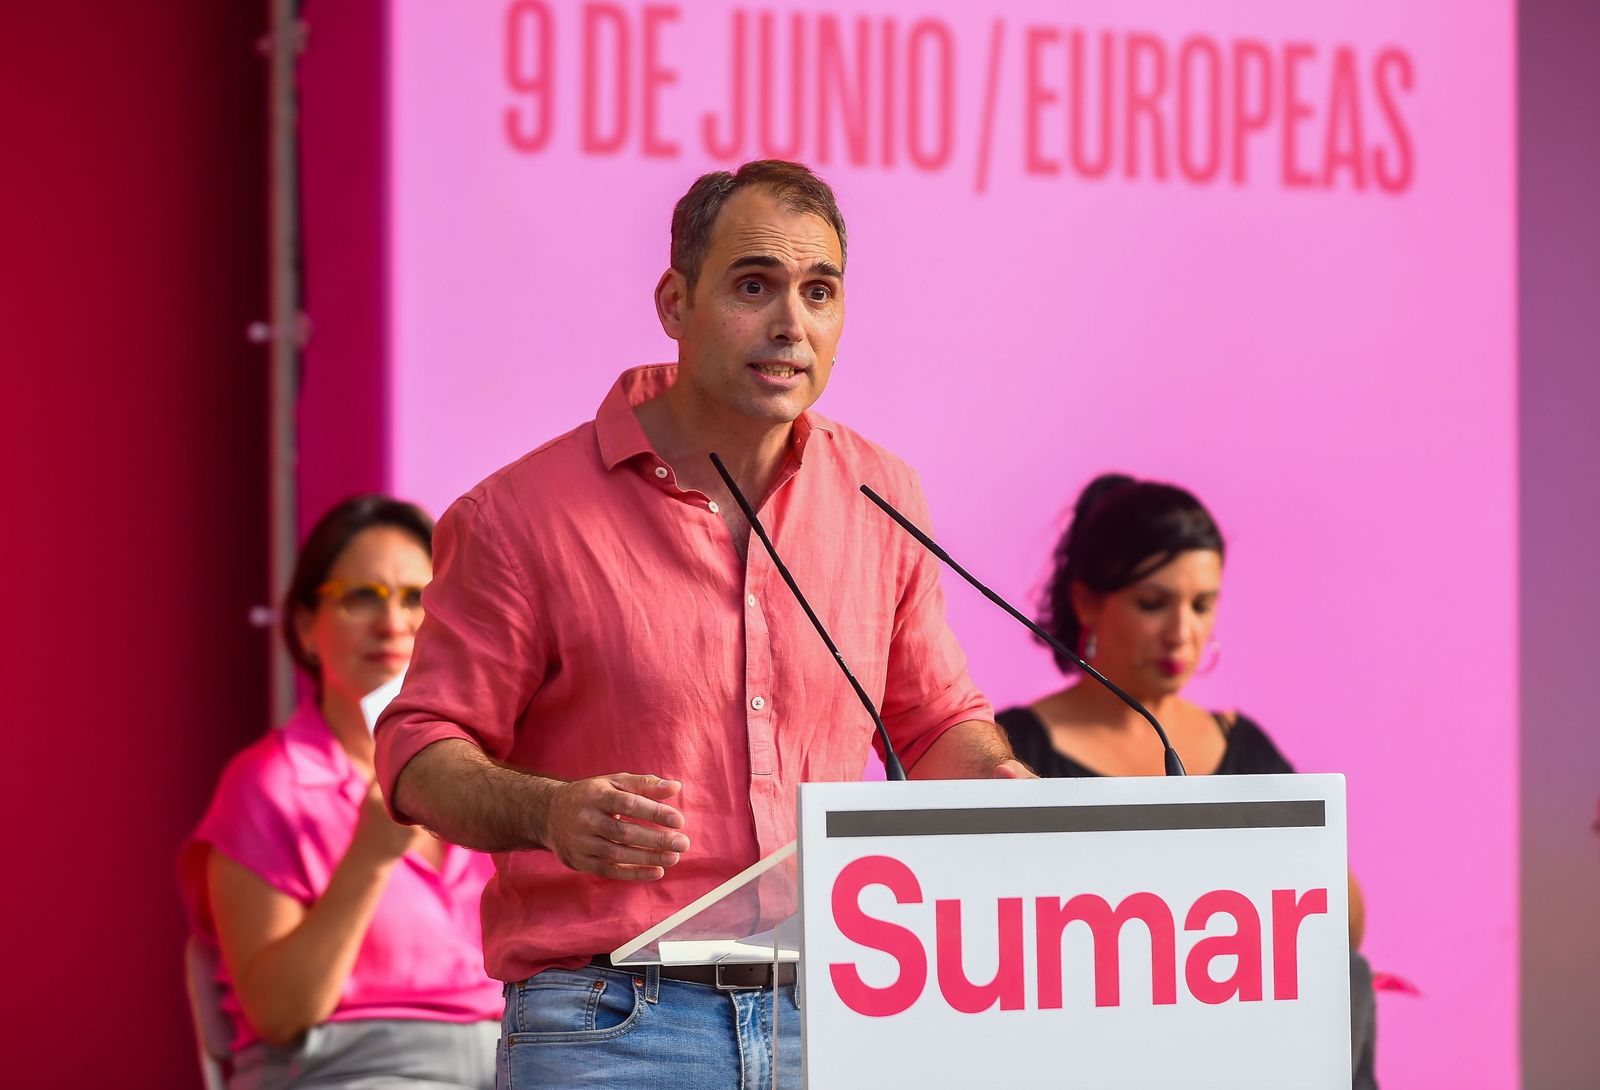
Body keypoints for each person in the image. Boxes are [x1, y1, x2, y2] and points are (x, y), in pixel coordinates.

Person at [373, 160, 1029, 1089]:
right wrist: (548, 812)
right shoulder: (518, 516)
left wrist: (1003, 783)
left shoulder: (882, 495)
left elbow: (933, 727)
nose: (790, 325)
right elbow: (419, 748)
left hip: (841, 1010)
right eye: (753, 285)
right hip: (612, 1020)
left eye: (819, 292)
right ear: (674, 302)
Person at [996, 472, 1378, 1088]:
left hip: (1235, 1042)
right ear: (1088, 602)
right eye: (1154, 603)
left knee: (1350, 978)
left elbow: (1345, 926)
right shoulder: (1011, 750)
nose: (1183, 633)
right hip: (1083, 1051)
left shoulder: (1241, 744)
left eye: (1202, 605)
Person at [179, 495, 501, 1090]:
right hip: (352, 1067)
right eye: (362, 598)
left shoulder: (497, 766)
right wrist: (368, 858)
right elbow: (280, 1015)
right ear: (305, 627)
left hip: (521, 1058)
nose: (394, 624)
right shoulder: (267, 785)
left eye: (416, 599)